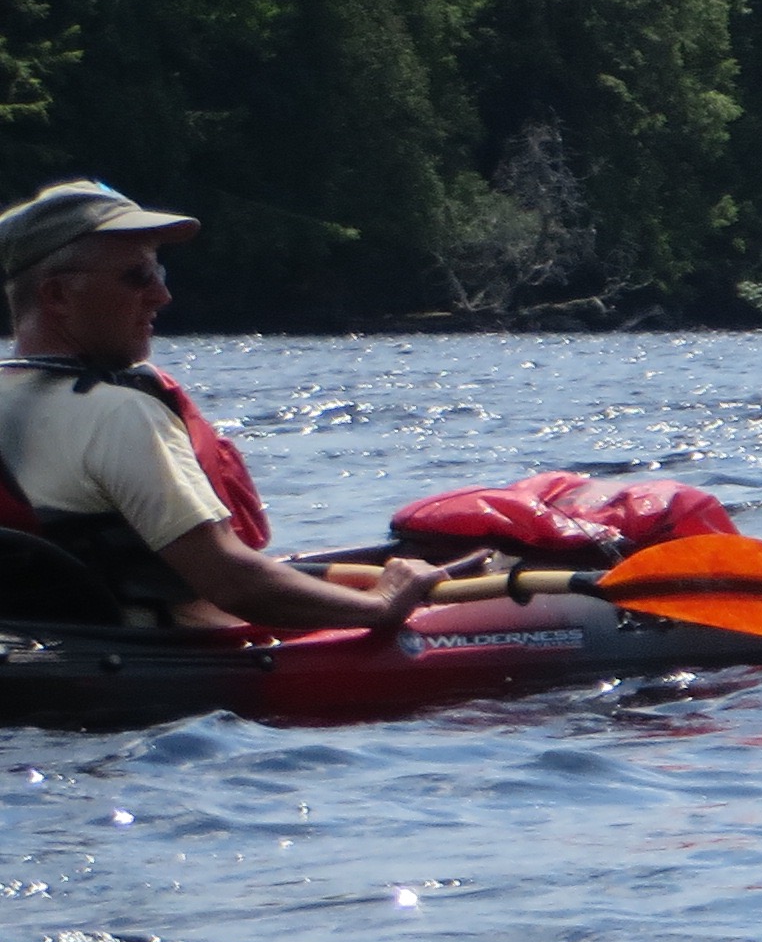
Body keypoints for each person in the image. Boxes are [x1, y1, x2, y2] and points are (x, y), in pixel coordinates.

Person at [0, 180, 477, 630]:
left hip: (59, 639)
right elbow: (233, 582)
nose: (162, 295)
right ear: (58, 295)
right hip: (157, 669)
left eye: (159, 272)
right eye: (137, 277)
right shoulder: (119, 415)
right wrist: (384, 604)